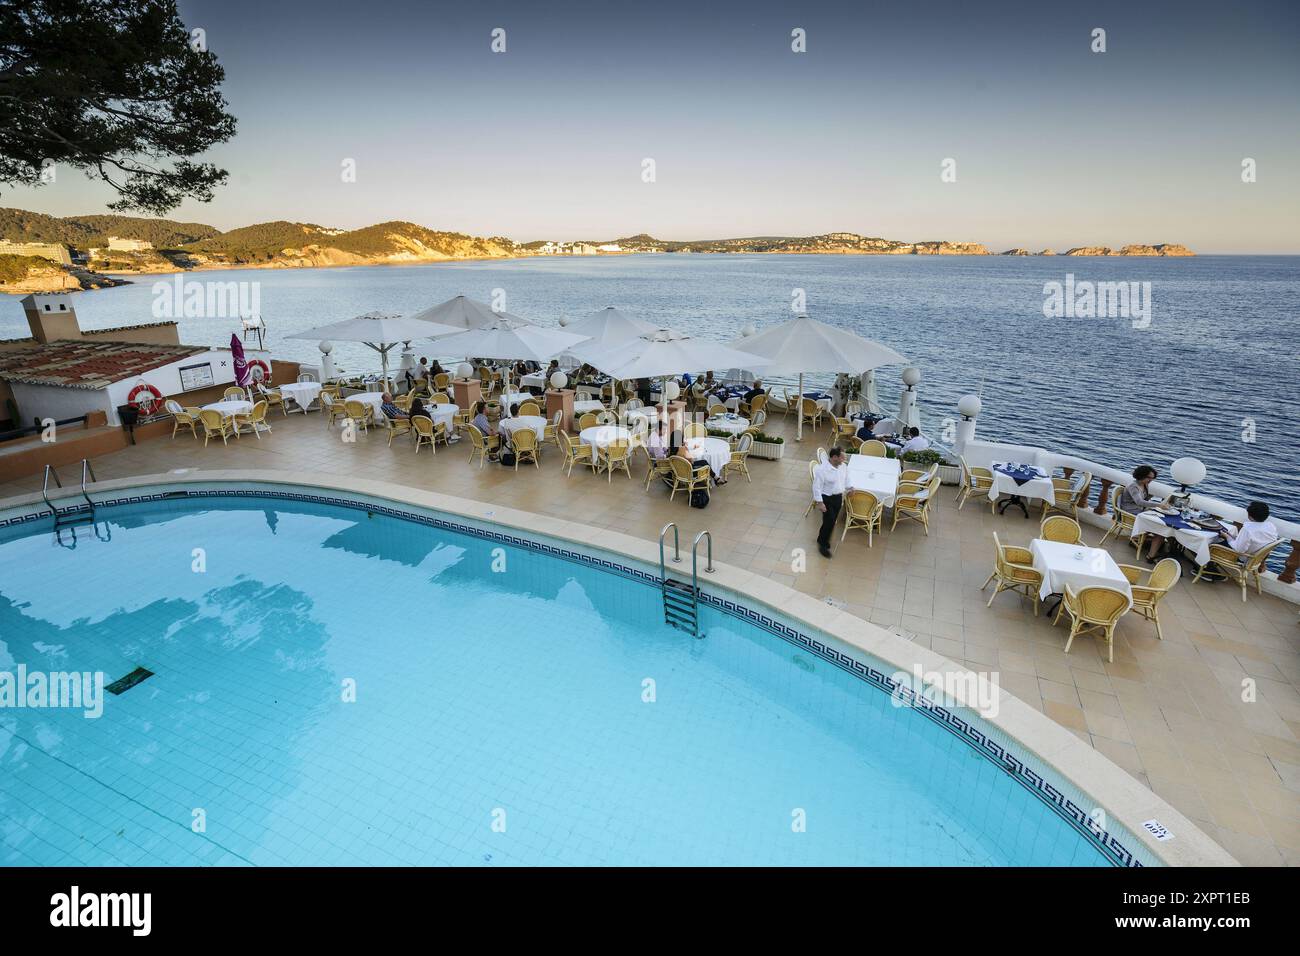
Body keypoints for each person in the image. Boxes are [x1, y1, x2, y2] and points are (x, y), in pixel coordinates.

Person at [812, 447, 853, 558]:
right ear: (834, 457)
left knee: (832, 520)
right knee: (829, 520)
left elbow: (847, 478)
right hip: (826, 498)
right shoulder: (822, 470)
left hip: (838, 497)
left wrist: (850, 488)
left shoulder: (843, 466)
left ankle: (821, 537)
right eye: (842, 458)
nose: (844, 460)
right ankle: (822, 544)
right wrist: (820, 503)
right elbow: (816, 487)